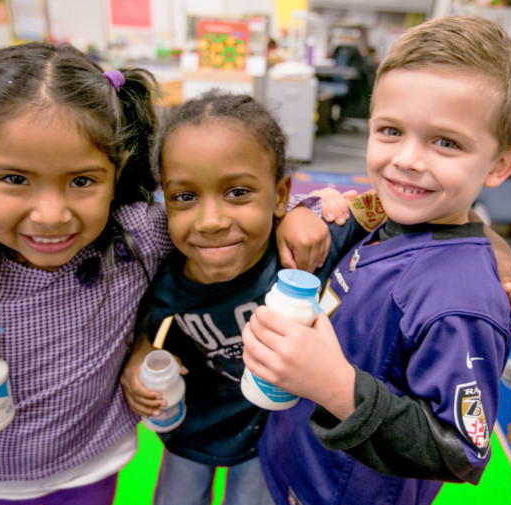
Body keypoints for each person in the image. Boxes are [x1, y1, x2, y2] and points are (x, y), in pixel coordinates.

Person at [242, 15, 511, 505]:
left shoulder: (460, 303)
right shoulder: (390, 212)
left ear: (500, 164)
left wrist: (335, 385)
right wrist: (306, 214)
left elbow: (461, 452)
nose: (408, 159)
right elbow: (347, 213)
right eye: (391, 131)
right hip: (298, 461)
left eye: (446, 142)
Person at [0, 42, 170, 504]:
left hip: (94, 467)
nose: (50, 215)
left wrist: (309, 210)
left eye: (82, 181)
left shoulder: (137, 237)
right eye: (15, 179)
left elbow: (236, 224)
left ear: (116, 172)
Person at [119, 90, 382, 505]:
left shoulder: (301, 250)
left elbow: (401, 206)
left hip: (273, 432)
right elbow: (129, 329)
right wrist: (140, 356)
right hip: (193, 426)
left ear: (279, 195)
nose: (210, 222)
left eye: (238, 192)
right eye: (185, 198)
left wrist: (487, 241)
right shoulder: (160, 276)